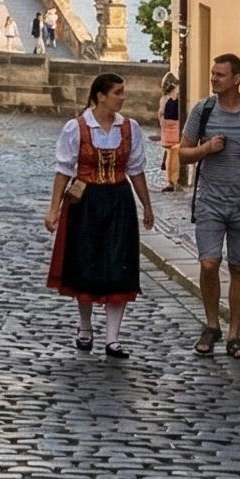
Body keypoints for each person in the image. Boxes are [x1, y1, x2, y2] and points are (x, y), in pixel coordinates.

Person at [45, 73, 156, 355]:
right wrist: (54, 208)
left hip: (118, 200)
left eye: (123, 92)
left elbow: (136, 170)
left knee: (118, 264)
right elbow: (64, 170)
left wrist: (147, 205)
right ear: (100, 96)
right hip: (85, 201)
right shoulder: (77, 128)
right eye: (118, 92)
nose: (123, 97)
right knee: (85, 264)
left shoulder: (130, 128)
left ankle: (112, 338)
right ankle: (85, 327)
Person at [177, 55, 240, 358]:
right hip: (210, 199)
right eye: (212, 74)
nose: (214, 79)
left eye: (220, 75)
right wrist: (206, 148)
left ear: (236, 79)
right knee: (209, 262)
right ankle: (212, 323)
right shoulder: (203, 111)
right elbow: (181, 154)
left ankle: (235, 334)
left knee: (239, 267)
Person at [156, 77, 185, 189]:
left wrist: (162, 126)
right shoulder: (175, 96)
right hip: (175, 128)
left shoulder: (163, 98)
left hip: (167, 127)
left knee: (170, 155)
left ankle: (170, 180)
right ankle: (173, 180)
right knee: (175, 155)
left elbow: (160, 113)